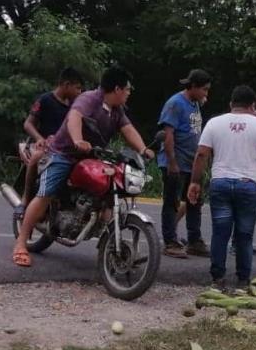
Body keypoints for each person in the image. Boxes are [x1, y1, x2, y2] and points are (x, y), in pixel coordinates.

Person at [11, 66, 155, 267]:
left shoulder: (117, 110)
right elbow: (74, 118)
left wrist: (143, 149)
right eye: (128, 89)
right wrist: (78, 140)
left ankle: (104, 236)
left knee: (107, 190)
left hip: (93, 156)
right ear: (117, 89)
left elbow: (128, 129)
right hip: (64, 154)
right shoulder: (89, 99)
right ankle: (20, 243)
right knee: (46, 194)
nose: (129, 93)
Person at [187, 85, 256, 289]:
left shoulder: (214, 123)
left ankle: (217, 279)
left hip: (220, 183)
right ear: (253, 105)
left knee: (220, 233)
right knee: (244, 236)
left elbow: (202, 154)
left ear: (231, 104)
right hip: (249, 186)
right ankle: (242, 281)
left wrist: (195, 182)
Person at [157, 69, 212, 258]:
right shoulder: (175, 104)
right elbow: (168, 134)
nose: (206, 94)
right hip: (176, 162)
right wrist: (172, 163)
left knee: (194, 201)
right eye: (204, 89)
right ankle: (170, 241)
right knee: (172, 202)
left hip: (192, 163)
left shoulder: (195, 103)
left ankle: (194, 240)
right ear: (194, 87)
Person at [16, 68, 84, 217]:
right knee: (35, 158)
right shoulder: (45, 99)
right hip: (45, 145)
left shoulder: (74, 106)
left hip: (65, 148)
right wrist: (40, 138)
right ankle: (25, 199)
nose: (79, 92)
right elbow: (28, 124)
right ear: (66, 84)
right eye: (77, 88)